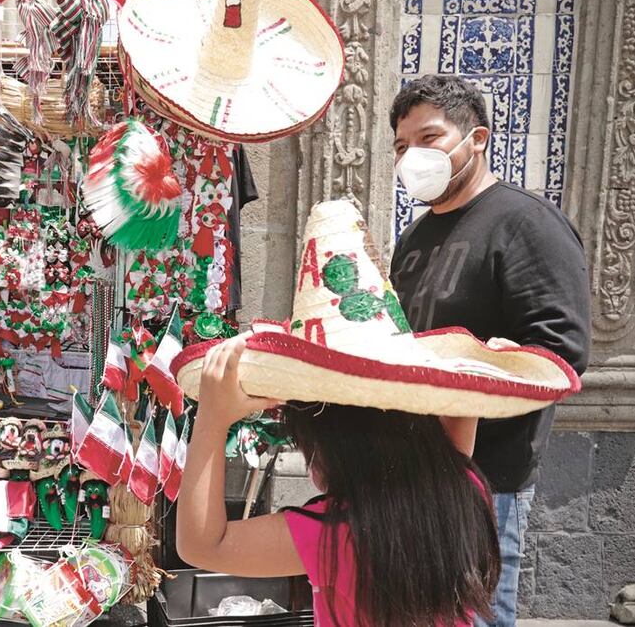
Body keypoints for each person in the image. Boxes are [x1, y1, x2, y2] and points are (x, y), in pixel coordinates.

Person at [388, 74, 591, 625]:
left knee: (473, 615)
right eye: (402, 146)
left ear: (475, 139)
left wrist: (506, 362)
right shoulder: (415, 239)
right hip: (412, 474)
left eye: (429, 138)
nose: (413, 157)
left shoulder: (526, 224)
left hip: (485, 483)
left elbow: (563, 350)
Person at [177, 334, 500, 626]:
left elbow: (205, 546)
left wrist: (212, 420)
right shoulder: (464, 489)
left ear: (339, 452)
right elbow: (452, 453)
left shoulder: (336, 531)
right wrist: (475, 384)